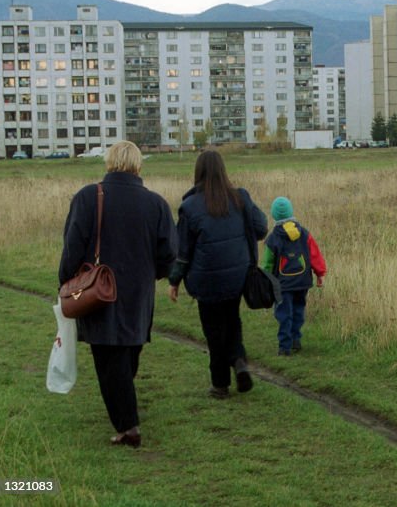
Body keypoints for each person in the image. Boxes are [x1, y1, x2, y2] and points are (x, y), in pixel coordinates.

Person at [58, 141, 177, 448]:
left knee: (109, 358)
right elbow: (169, 254)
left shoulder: (88, 197)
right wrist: (154, 275)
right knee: (126, 352)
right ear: (139, 165)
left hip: (98, 291)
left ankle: (128, 427)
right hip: (139, 292)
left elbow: (72, 245)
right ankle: (126, 411)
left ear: (108, 162)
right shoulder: (156, 204)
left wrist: (66, 282)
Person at [168, 151, 267, 399]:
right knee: (232, 320)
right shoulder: (240, 198)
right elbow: (261, 228)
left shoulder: (189, 207)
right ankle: (239, 361)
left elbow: (183, 251)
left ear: (198, 172)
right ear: (223, 170)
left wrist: (174, 281)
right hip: (237, 274)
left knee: (213, 330)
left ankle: (220, 384)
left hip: (205, 279)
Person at [262, 197, 327, 356]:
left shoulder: (273, 238)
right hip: (302, 282)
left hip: (282, 285)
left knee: (284, 314)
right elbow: (315, 255)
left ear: (274, 215)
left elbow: (268, 264)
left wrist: (266, 279)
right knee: (298, 310)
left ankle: (284, 347)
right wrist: (320, 273)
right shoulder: (305, 234)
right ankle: (296, 340)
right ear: (291, 212)